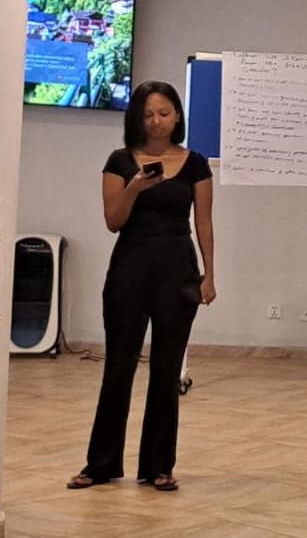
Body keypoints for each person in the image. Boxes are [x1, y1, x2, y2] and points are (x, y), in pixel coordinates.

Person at [68, 82, 216, 492]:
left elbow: (203, 221)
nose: (156, 121)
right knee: (118, 365)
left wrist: (210, 274)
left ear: (178, 116)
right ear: (137, 117)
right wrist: (135, 186)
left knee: (167, 371)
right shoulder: (119, 161)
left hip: (177, 269)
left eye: (164, 112)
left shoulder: (196, 164)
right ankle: (100, 464)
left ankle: (158, 466)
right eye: (148, 113)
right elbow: (113, 220)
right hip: (130, 268)